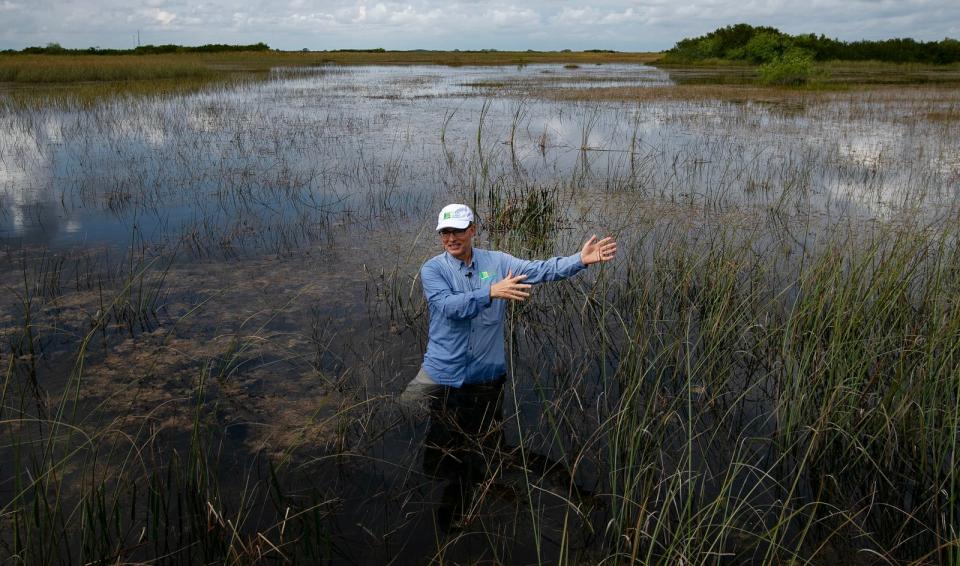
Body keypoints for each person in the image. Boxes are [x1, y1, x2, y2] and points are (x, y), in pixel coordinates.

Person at [400, 202, 617, 405]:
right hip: (440, 371)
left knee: (489, 436)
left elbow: (541, 270)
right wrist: (491, 292)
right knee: (405, 409)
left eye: (457, 230)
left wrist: (579, 259)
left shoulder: (498, 261)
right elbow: (448, 307)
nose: (451, 238)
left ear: (472, 230)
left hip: (487, 375)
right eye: (445, 232)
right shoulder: (433, 269)